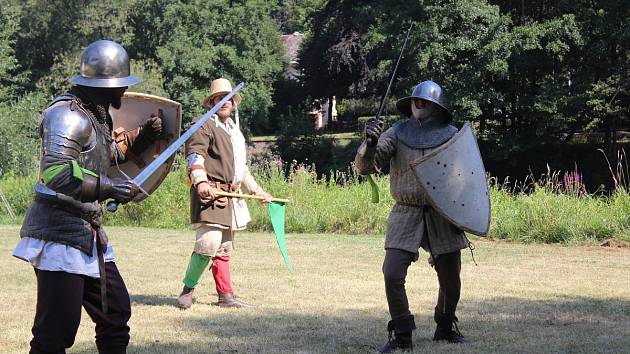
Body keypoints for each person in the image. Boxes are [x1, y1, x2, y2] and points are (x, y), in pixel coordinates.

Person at [14, 39, 163, 354]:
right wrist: (110, 187)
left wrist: (144, 136)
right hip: (58, 232)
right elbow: (56, 174)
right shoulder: (67, 115)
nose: (123, 91)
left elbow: (103, 158)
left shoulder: (95, 116)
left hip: (87, 231)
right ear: (106, 85)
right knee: (55, 333)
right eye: (120, 85)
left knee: (115, 315)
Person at [354, 80, 471, 353]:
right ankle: (402, 332)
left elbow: (465, 176)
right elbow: (365, 166)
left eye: (425, 101)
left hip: (442, 213)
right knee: (392, 272)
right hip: (406, 211)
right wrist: (370, 143)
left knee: (451, 280)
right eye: (416, 101)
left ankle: (444, 325)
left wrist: (461, 212)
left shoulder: (452, 135)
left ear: (436, 107)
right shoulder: (396, 133)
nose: (419, 104)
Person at [176, 78, 272, 309]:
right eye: (219, 98)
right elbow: (194, 155)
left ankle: (225, 296)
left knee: (224, 247)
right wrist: (199, 181)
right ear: (211, 102)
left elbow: (242, 169)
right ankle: (187, 290)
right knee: (208, 243)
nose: (224, 102)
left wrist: (258, 192)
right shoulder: (203, 125)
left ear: (233, 103)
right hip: (210, 192)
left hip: (232, 197)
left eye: (228, 98)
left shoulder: (235, 132)